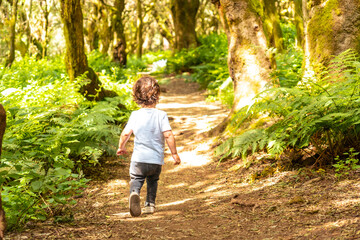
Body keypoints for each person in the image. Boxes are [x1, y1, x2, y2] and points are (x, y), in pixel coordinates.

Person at [117, 76, 181, 217]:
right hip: (155, 161)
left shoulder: (135, 115)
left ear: (137, 95)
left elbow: (125, 133)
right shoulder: (161, 115)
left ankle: (134, 193)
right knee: (153, 181)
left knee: (136, 179)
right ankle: (149, 205)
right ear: (157, 95)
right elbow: (169, 135)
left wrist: (121, 146)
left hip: (138, 160)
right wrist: (174, 153)